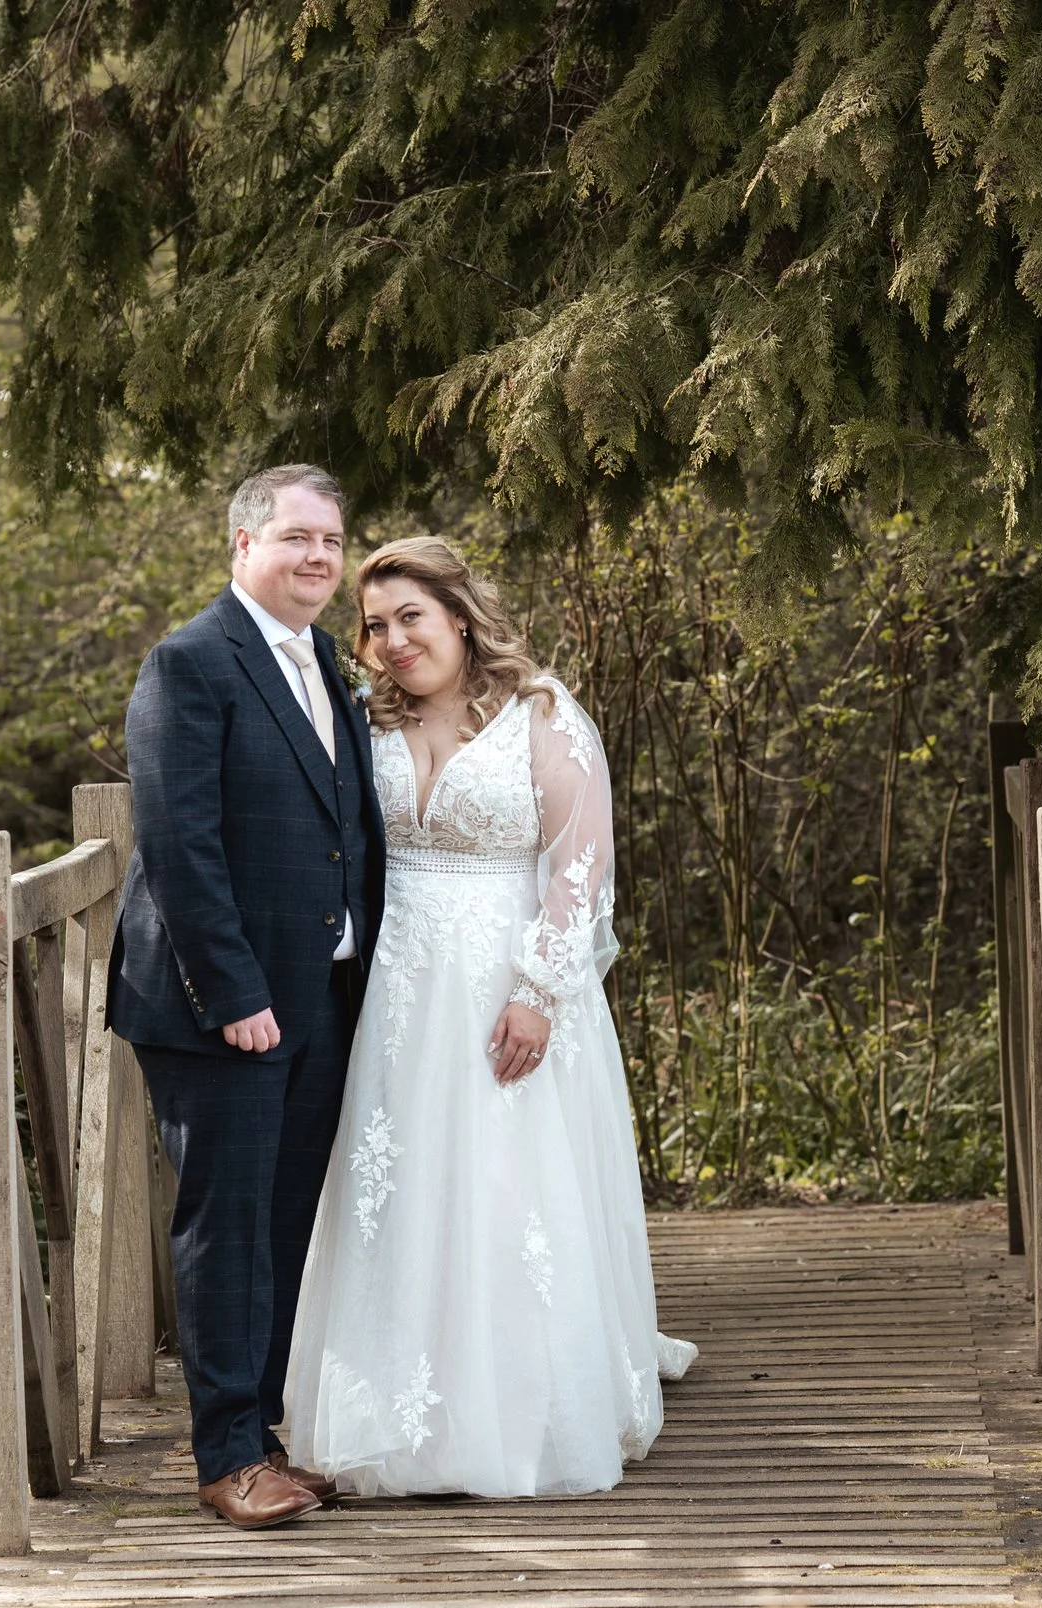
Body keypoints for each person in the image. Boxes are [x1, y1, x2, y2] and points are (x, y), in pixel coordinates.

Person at [282, 535, 694, 1498]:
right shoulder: (363, 720)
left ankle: (519, 1406)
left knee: (508, 1183)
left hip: (508, 983)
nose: (392, 641)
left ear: (460, 616)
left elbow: (582, 862)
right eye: (375, 626)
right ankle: (393, 1408)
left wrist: (539, 990)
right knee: (401, 1183)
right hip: (397, 993)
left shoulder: (540, 713)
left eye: (410, 617)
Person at [108, 465, 386, 1529]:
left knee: (283, 1221)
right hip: (220, 1005)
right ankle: (225, 1457)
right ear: (243, 545)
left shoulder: (325, 661)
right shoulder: (189, 663)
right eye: (296, 536)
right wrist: (232, 992)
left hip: (320, 992)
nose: (318, 556)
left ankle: (262, 1439)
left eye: (331, 540)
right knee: (226, 1226)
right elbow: (178, 841)